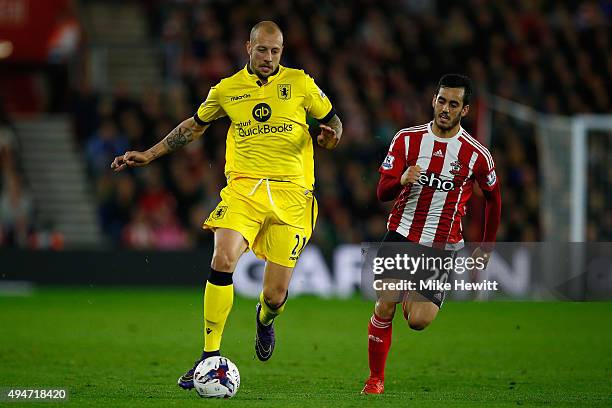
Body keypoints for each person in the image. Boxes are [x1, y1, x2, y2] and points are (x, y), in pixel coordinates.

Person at [111, 21, 342, 389]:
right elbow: (193, 126)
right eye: (262, 50)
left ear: (282, 52)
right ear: (248, 46)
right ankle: (208, 357)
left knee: (274, 295)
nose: (269, 58)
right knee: (222, 259)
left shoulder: (301, 83)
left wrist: (330, 139)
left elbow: (334, 123)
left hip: (294, 196)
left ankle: (265, 320)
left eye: (276, 51)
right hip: (244, 191)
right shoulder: (227, 90)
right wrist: (149, 154)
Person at [361, 74, 501, 395]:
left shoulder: (476, 155)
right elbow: (382, 191)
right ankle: (375, 380)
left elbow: (495, 198)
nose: (445, 109)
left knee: (418, 321)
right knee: (385, 305)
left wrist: (487, 245)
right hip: (401, 235)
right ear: (433, 100)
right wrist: (402, 179)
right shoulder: (407, 139)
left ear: (465, 110)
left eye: (454, 104)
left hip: (442, 246)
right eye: (442, 101)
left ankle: (415, 293)